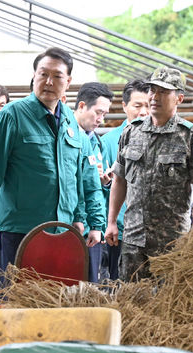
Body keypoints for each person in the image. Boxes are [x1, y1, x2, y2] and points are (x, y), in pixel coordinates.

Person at [0, 47, 104, 274]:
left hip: (62, 229)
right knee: (19, 299)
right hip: (21, 229)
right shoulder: (13, 114)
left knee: (56, 298)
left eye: (57, 76)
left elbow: (75, 176)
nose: (49, 82)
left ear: (68, 81)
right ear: (34, 76)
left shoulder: (70, 122)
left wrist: (80, 218)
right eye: (43, 74)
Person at [105, 67, 193, 281]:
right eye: (152, 90)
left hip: (172, 240)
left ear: (179, 98)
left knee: (170, 302)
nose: (154, 97)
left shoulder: (190, 136)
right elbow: (119, 180)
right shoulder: (131, 132)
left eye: (163, 92)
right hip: (134, 237)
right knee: (131, 298)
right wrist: (112, 222)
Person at [100, 79, 150, 280]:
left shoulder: (161, 138)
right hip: (120, 233)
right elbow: (99, 188)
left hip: (153, 232)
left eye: (148, 105)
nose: (143, 112)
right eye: (137, 105)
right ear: (124, 106)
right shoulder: (108, 141)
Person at [74, 82, 113, 282]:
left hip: (92, 229)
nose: (101, 119)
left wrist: (104, 182)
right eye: (98, 113)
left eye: (105, 114)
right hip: (72, 226)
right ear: (81, 106)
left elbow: (96, 191)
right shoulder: (65, 137)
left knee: (91, 286)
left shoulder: (97, 142)